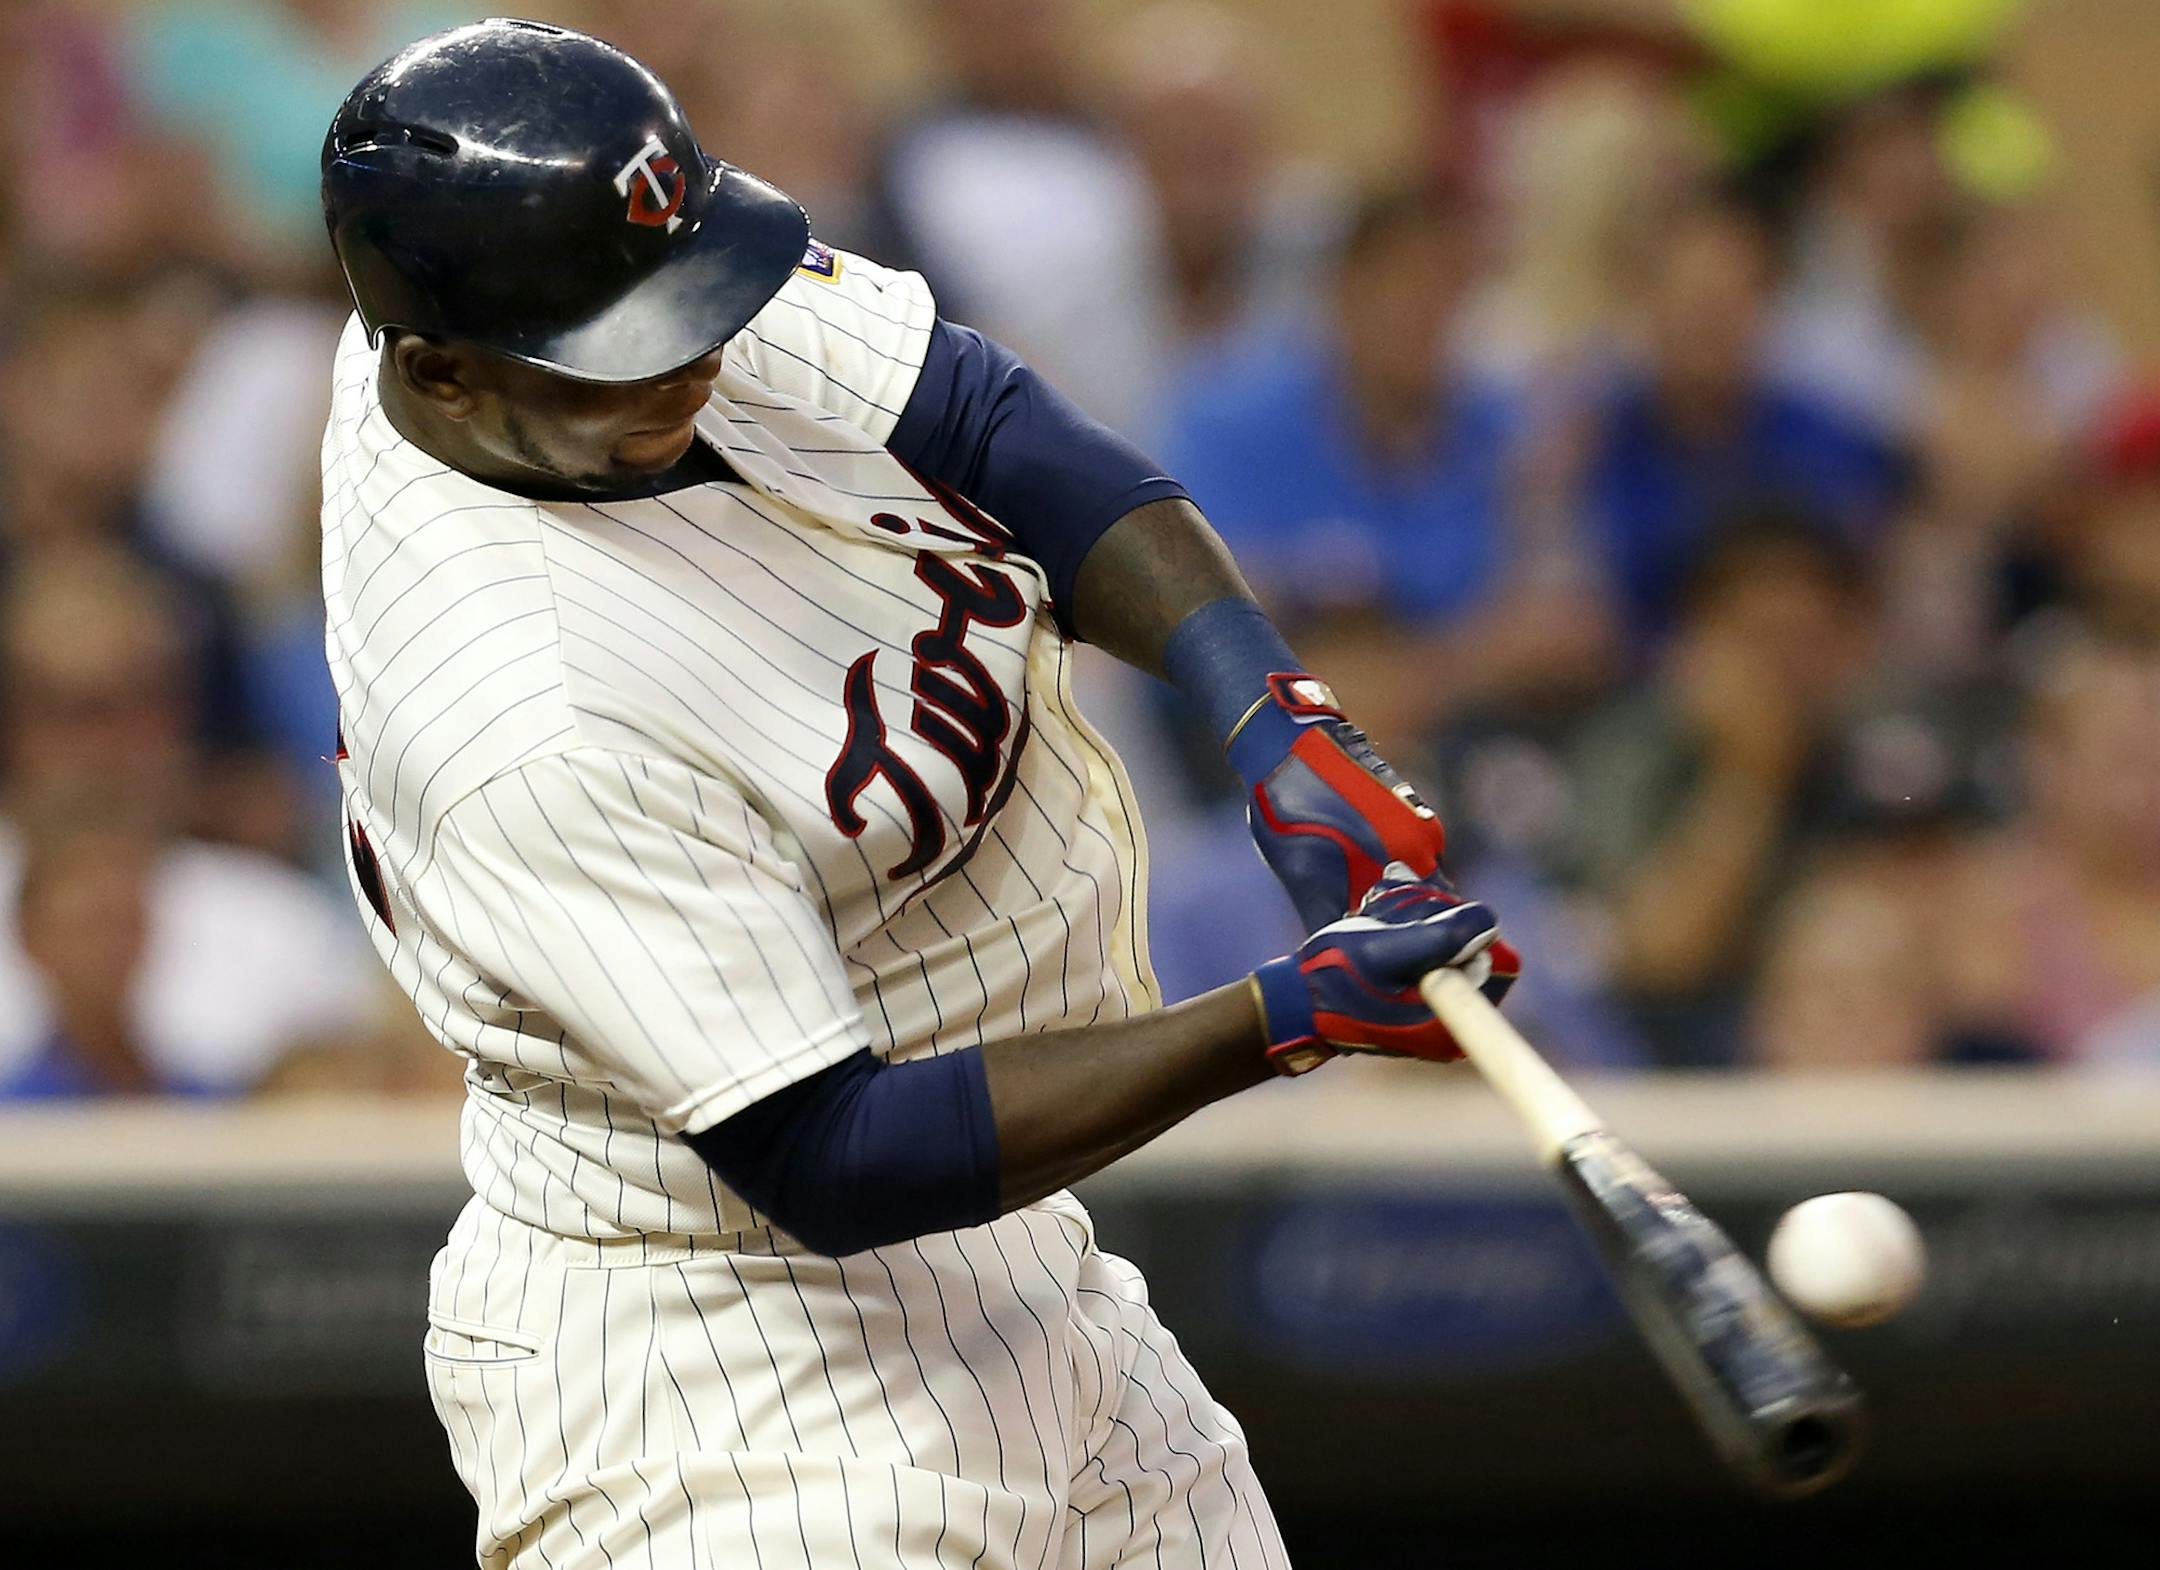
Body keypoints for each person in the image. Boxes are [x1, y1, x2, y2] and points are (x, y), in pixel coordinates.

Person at [318, 22, 1519, 1569]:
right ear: (437, 371)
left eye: (694, 298)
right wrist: (1279, 1018)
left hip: (1017, 1259)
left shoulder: (552, 291)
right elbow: (830, 1149)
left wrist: (1270, 708)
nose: (695, 354)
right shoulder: (521, 711)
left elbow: (983, 419)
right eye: (636, 342)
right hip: (724, 1367)